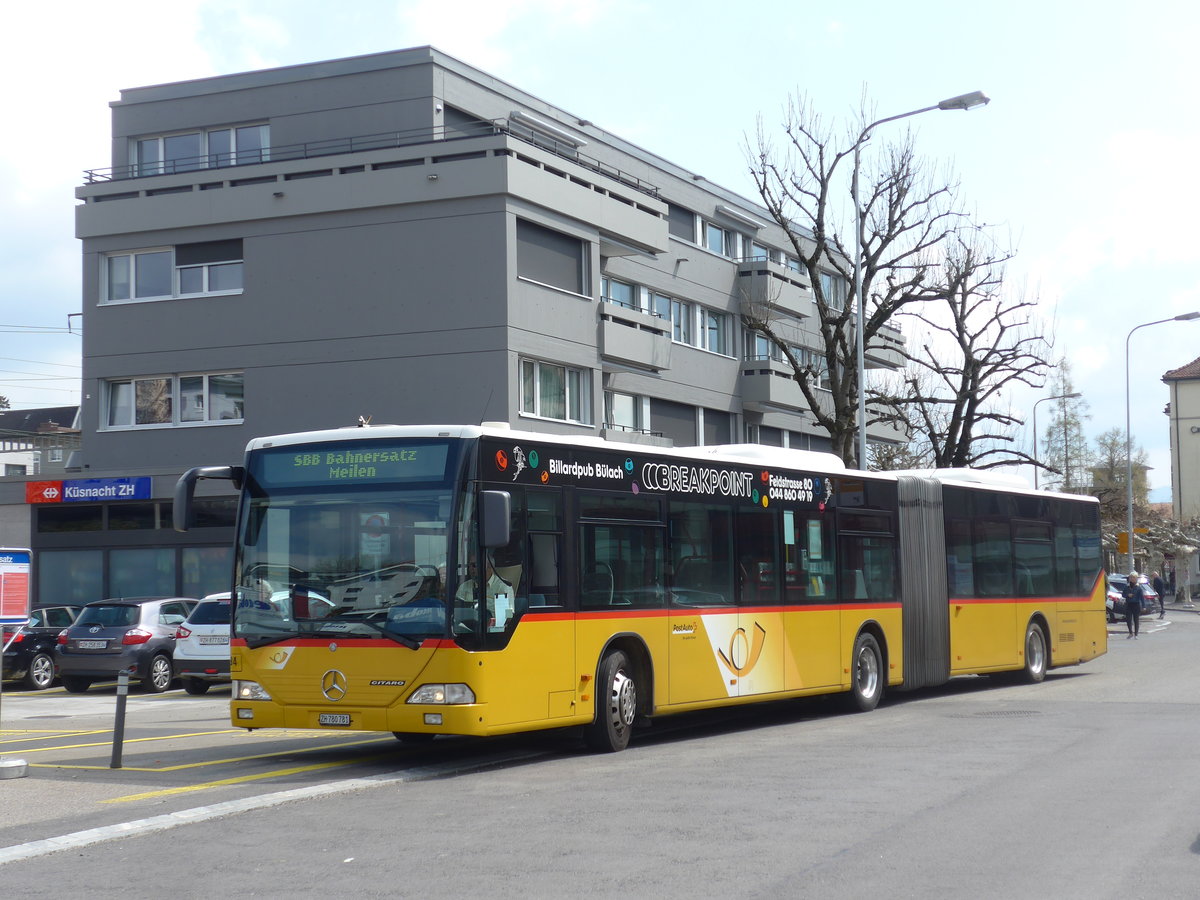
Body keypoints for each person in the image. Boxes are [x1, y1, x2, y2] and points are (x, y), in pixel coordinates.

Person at [1122, 570, 1144, 639]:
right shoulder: (1127, 586)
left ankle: (1136, 634)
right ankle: (1130, 632)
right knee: (1128, 619)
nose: (1132, 579)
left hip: (1136, 604)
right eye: (1131, 577)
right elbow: (1123, 594)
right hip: (1128, 604)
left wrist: (1144, 606)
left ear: (1136, 578)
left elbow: (1141, 597)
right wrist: (1128, 595)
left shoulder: (1138, 587)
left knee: (1136, 619)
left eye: (1133, 577)